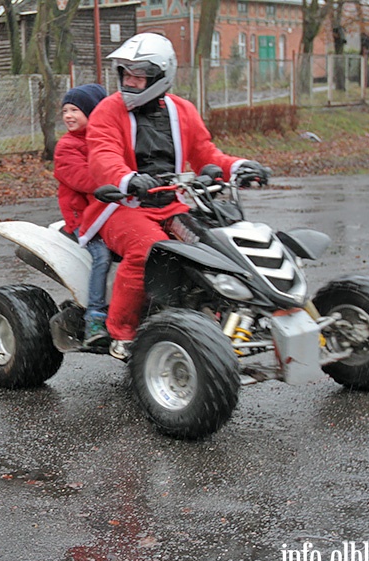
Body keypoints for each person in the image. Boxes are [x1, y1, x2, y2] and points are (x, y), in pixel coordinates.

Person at [82, 33, 270, 359]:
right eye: (125, 73)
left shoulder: (182, 110)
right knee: (148, 252)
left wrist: (239, 167)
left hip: (171, 203)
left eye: (139, 74)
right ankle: (122, 334)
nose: (130, 80)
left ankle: (210, 316)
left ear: (161, 75)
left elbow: (206, 154)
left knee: (214, 247)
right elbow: (102, 156)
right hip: (121, 206)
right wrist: (128, 179)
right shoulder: (107, 111)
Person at [53, 83, 112, 347]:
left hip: (109, 212)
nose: (68, 115)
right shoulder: (67, 146)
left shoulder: (104, 140)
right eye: (65, 110)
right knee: (101, 256)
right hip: (83, 219)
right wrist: (118, 181)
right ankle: (95, 318)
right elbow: (83, 179)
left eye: (75, 110)